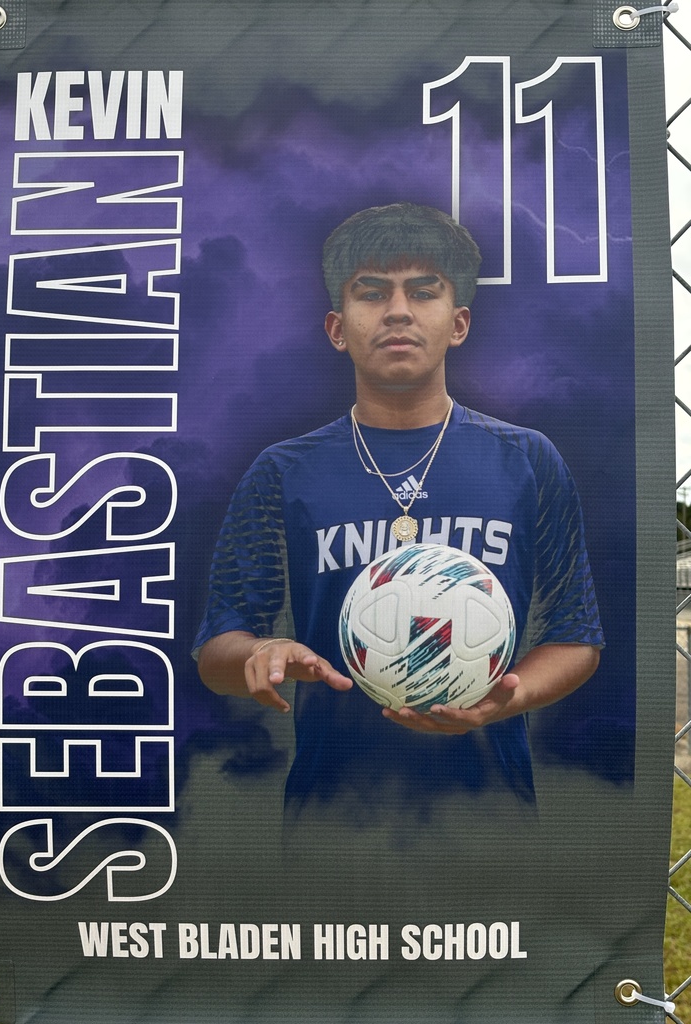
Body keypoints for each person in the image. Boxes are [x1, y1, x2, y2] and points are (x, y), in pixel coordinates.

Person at [193, 203, 603, 823]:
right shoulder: (283, 471)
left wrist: (503, 702)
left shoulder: (526, 459)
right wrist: (264, 650)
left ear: (458, 322)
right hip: (329, 813)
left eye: (423, 291)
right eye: (372, 292)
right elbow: (217, 646)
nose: (398, 311)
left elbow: (577, 636)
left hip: (494, 811)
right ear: (337, 327)